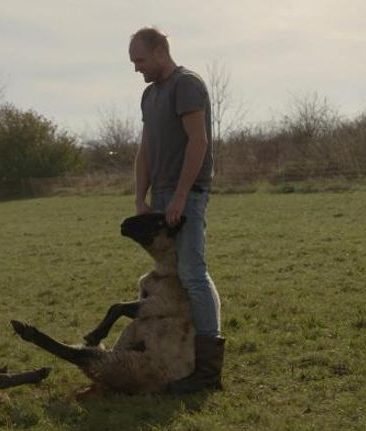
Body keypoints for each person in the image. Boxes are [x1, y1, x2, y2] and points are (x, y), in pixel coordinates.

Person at [128, 27, 225, 393]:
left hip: (190, 192)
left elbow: (198, 143)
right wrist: (141, 197)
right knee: (175, 272)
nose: (136, 68)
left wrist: (183, 195)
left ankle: (208, 372)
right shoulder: (149, 96)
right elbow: (146, 150)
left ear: (158, 52)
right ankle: (180, 351)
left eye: (139, 60)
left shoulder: (187, 85)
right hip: (164, 193)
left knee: (192, 272)